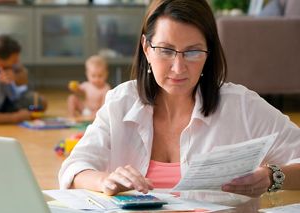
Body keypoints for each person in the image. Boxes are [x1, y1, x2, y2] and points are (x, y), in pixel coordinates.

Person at [59, 0, 300, 198]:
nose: (178, 67)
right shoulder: (120, 101)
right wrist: (105, 180)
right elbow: (73, 169)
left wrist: (273, 176)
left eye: (193, 52)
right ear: (146, 48)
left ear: (209, 53)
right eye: (165, 50)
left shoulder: (241, 106)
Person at [67, 55, 111, 119]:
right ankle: (71, 116)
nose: (96, 79)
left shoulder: (106, 88)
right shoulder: (86, 85)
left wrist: (98, 114)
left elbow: (104, 105)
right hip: (84, 109)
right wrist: (75, 88)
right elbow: (79, 92)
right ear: (87, 74)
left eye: (100, 76)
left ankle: (93, 118)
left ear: (106, 74)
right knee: (71, 98)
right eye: (93, 76)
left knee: (104, 110)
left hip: (97, 112)